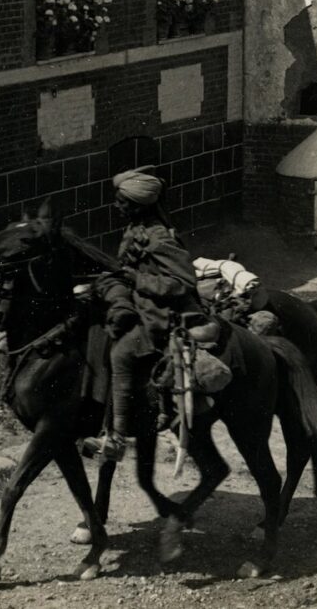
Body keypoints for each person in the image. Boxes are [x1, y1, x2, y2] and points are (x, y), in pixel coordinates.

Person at [85, 166, 207, 461]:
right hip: (136, 303)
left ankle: (116, 438)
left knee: (121, 354)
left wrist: (137, 280)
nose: (117, 206)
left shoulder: (159, 238)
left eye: (123, 202)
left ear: (138, 206)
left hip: (159, 315)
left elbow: (184, 282)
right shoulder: (133, 229)